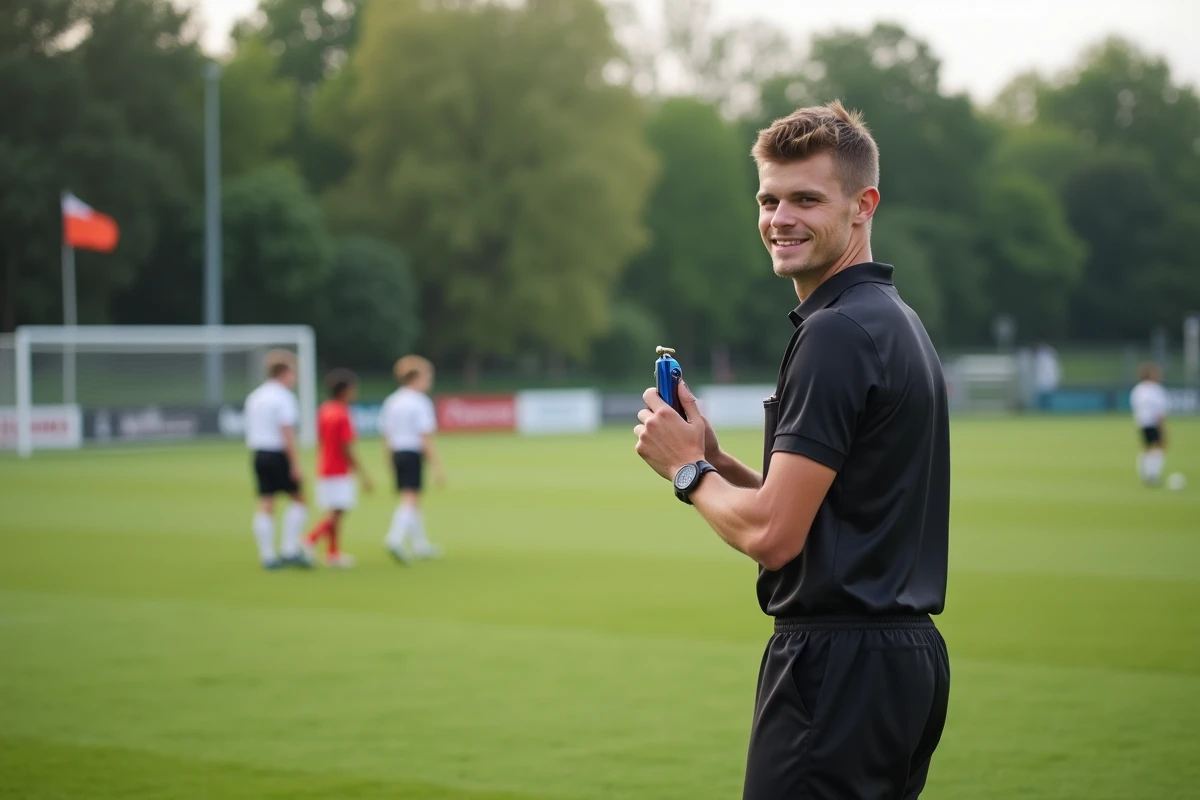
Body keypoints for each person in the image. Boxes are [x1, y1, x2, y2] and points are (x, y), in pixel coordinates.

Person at [633, 101, 951, 798]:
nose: (780, 219)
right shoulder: (891, 320)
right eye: (769, 199)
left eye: (806, 199)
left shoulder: (836, 333)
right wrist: (715, 457)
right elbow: (826, 510)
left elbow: (775, 536)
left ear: (863, 204)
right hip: (901, 663)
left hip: (838, 667)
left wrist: (685, 472)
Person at [244, 350, 310, 569]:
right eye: (294, 372)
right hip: (277, 453)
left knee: (266, 503)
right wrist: (295, 464)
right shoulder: (284, 397)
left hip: (258, 453)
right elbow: (287, 432)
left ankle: (267, 555)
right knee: (299, 500)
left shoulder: (255, 396)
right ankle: (289, 549)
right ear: (285, 372)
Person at [379, 355, 447, 563]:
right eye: (427, 376)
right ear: (416, 377)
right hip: (412, 452)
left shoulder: (393, 400)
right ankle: (394, 538)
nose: (429, 380)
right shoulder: (420, 402)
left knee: (412, 498)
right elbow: (425, 436)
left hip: (398, 452)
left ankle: (420, 544)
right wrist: (437, 466)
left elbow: (387, 433)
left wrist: (388, 457)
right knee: (410, 498)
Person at [303, 369, 373, 567]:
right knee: (338, 511)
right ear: (345, 390)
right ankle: (310, 539)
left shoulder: (325, 409)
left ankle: (333, 553)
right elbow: (347, 448)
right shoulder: (342, 414)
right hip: (338, 469)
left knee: (334, 510)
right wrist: (363, 475)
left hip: (324, 465)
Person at [1130, 362, 1169, 486]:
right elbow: (1159, 411)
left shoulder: (1137, 389)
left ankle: (1145, 474)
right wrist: (1163, 427)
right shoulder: (1156, 389)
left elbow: (1135, 406)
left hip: (1142, 423)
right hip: (1153, 422)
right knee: (1159, 447)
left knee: (1147, 448)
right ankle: (1153, 474)